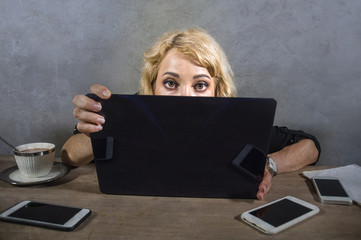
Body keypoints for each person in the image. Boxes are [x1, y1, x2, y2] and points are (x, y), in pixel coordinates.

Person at [62, 27, 320, 200]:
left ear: (216, 89)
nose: (185, 96)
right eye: (171, 83)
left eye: (200, 85)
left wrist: (268, 164)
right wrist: (101, 123)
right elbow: (70, 155)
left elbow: (309, 146)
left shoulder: (233, 124)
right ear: (152, 84)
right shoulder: (129, 117)